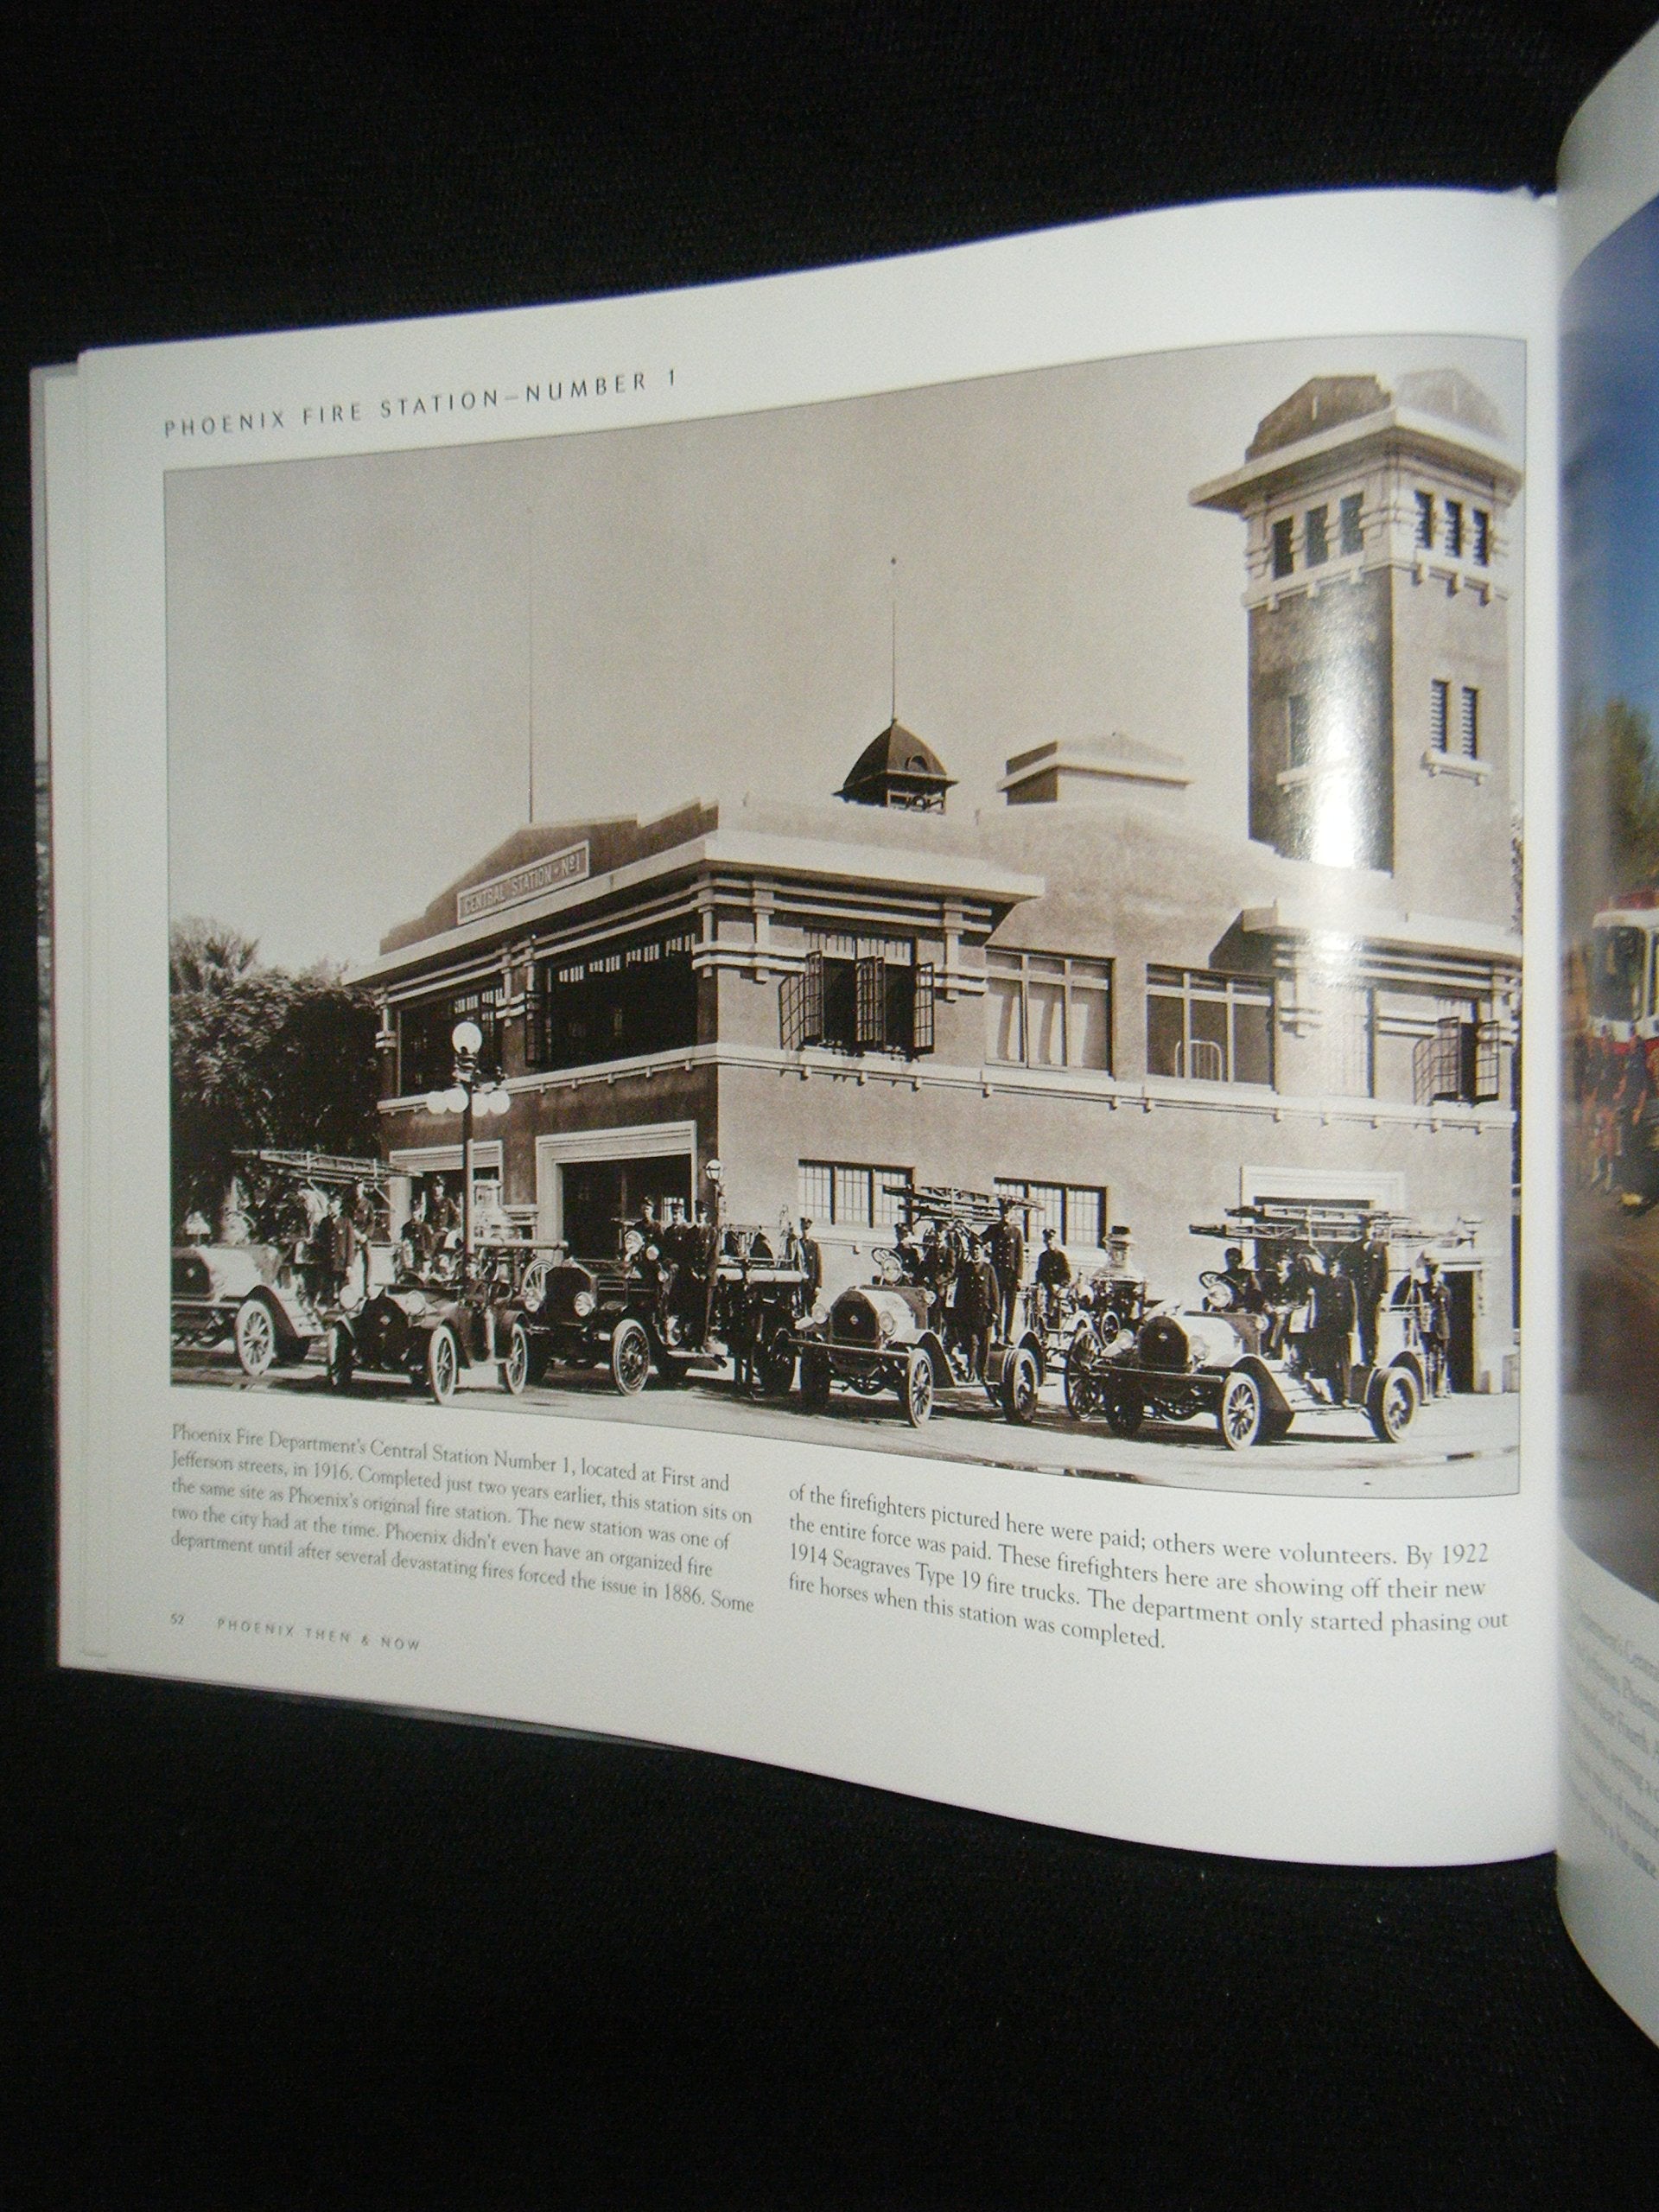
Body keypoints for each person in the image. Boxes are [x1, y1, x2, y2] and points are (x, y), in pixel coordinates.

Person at [951, 1236, 998, 1380]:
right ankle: (971, 1372)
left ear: (982, 1251)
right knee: (972, 1343)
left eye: (977, 1249)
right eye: (972, 1249)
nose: (975, 1252)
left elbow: (995, 1292)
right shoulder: (966, 1269)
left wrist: (995, 1312)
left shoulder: (988, 1269)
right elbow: (960, 1292)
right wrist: (958, 1311)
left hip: (984, 1314)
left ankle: (983, 1373)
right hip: (969, 1314)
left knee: (984, 1346)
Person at [986, 1198, 1026, 1339]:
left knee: (1010, 1307)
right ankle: (999, 1333)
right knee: (997, 1305)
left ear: (1011, 1214)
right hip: (997, 1274)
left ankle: (1008, 1333)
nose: (1005, 1216)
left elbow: (1019, 1257)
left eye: (1007, 1213)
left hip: (1011, 1276)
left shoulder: (1016, 1233)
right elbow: (980, 1240)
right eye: (1003, 1213)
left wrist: (1019, 1277)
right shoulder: (993, 1229)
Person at [1033, 1227, 1071, 1328]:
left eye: (1050, 1240)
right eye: (1046, 1240)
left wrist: (1059, 1285)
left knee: (1051, 1294)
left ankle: (1049, 1318)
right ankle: (1037, 1320)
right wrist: (1037, 1284)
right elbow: (1040, 1273)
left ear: (1054, 1240)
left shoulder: (1060, 1256)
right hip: (1046, 1288)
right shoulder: (1043, 1257)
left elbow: (1067, 1276)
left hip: (1058, 1289)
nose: (1049, 1242)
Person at [796, 1217, 823, 1307]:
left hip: (811, 1284)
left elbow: (818, 1266)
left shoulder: (814, 1246)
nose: (805, 1232)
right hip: (799, 1282)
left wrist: (818, 1285)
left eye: (807, 1229)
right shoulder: (797, 1245)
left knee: (811, 1308)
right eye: (803, 1229)